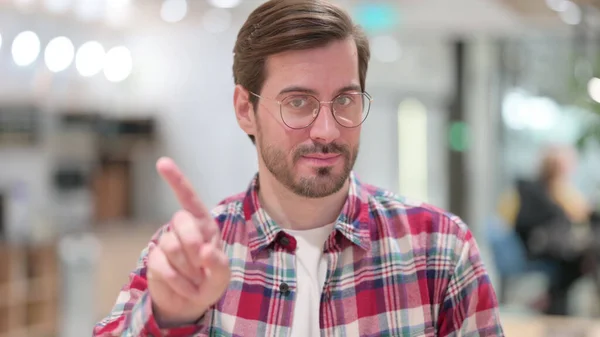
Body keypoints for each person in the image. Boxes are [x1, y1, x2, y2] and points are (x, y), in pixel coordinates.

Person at [93, 0, 504, 335]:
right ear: (245, 109)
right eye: (298, 102)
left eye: (345, 99)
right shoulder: (193, 257)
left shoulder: (439, 249)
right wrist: (166, 317)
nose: (327, 130)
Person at [496, 144, 597, 315]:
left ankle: (550, 300)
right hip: (540, 250)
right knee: (584, 260)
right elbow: (577, 215)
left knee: (583, 259)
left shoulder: (533, 189)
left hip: (543, 248)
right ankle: (553, 303)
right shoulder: (545, 191)